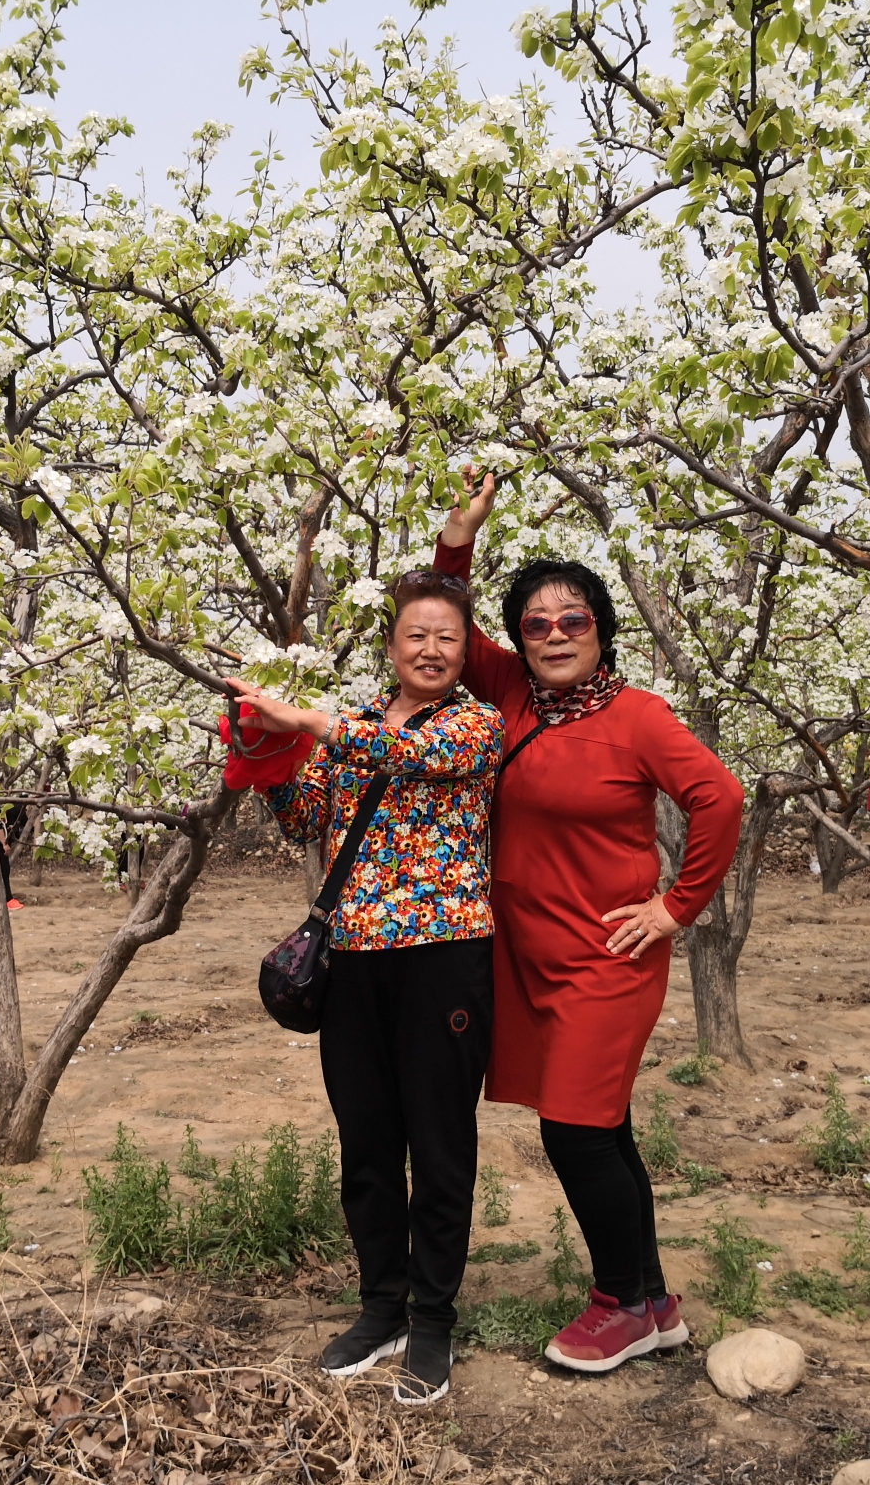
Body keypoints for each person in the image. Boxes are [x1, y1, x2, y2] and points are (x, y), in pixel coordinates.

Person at [433, 470, 745, 1374]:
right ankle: (653, 1300)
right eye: (537, 623)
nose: (555, 634)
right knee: (601, 1128)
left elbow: (718, 799)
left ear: (602, 632)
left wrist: (676, 906)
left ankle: (618, 1307)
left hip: (608, 961)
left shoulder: (639, 717)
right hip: (529, 960)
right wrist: (460, 534)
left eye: (574, 620)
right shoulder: (512, 698)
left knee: (572, 1129)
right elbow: (448, 621)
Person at [228, 569, 504, 1406]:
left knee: (440, 1141)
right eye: (416, 635)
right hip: (353, 958)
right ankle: (381, 1303)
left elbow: (411, 756)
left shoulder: (474, 727)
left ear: (465, 653)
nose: (431, 649)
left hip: (442, 954)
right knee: (369, 1142)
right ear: (391, 646)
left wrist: (308, 722)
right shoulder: (352, 731)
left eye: (447, 638)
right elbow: (306, 818)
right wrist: (263, 753)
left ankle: (433, 1319)